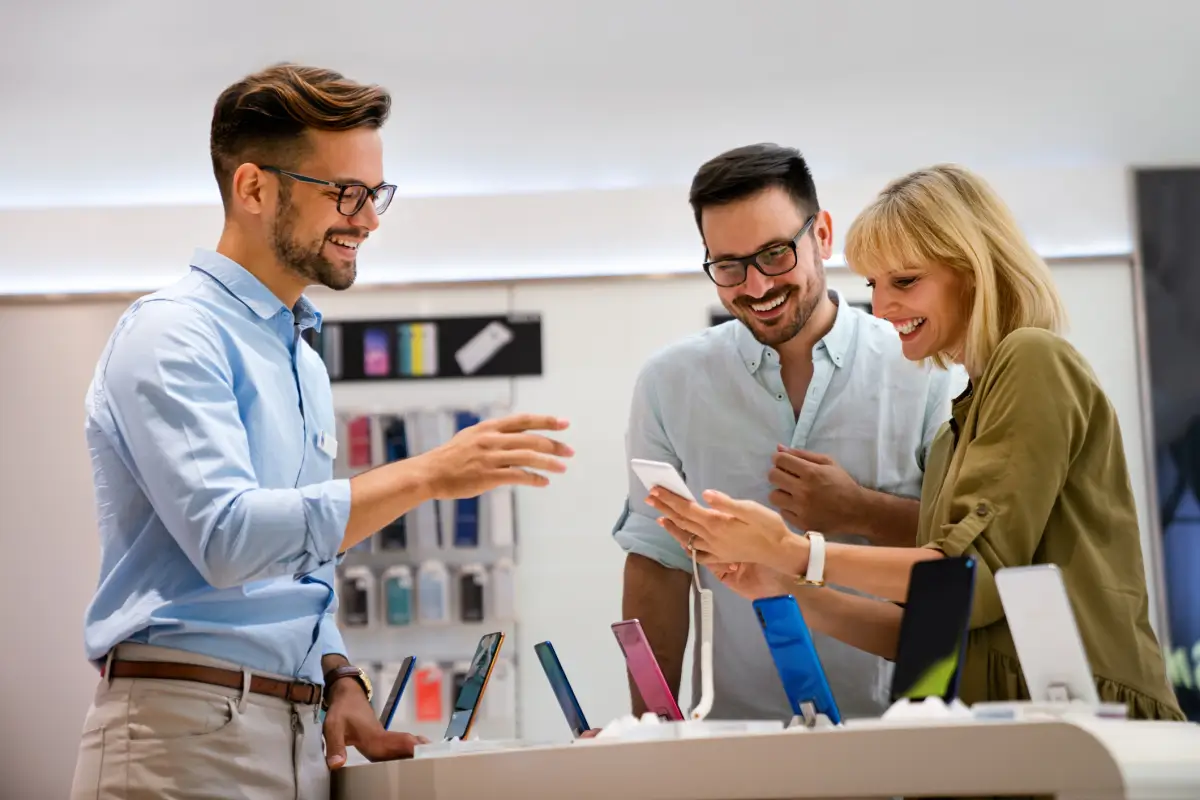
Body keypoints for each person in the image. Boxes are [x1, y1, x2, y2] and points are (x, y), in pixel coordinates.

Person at [69, 63, 574, 800]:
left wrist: (338, 672)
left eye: (375, 195)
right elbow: (229, 539)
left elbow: (297, 565)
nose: (367, 219)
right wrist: (428, 475)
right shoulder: (174, 333)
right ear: (252, 189)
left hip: (298, 732)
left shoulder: (299, 355)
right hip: (182, 737)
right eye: (345, 193)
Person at [648, 163, 1185, 721]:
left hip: (1087, 732)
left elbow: (966, 580)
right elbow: (934, 627)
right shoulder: (957, 429)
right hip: (1005, 731)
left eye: (905, 282)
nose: (881, 309)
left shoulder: (1033, 359)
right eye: (874, 286)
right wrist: (783, 587)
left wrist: (794, 552)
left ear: (974, 271)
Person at [613, 143, 964, 722]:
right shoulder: (668, 384)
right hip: (737, 739)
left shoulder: (925, 367)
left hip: (903, 732)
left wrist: (861, 512)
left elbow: (965, 553)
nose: (755, 287)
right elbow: (657, 563)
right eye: (728, 266)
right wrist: (651, 729)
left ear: (822, 236)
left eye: (775, 254)